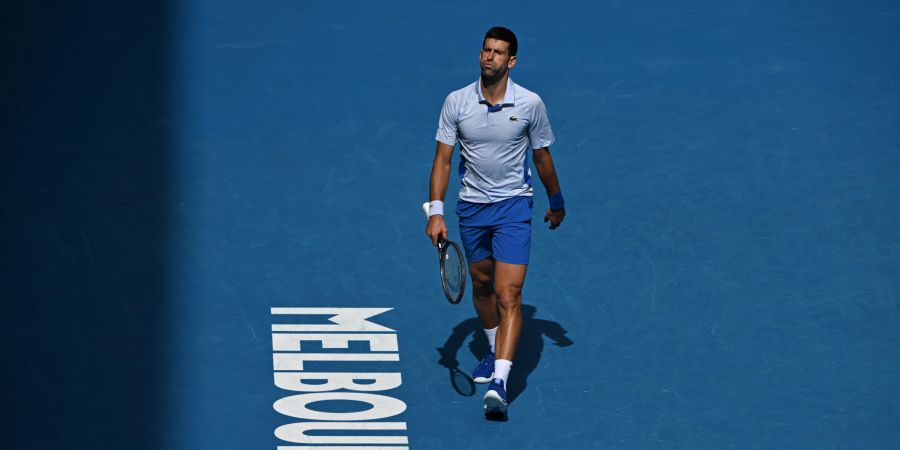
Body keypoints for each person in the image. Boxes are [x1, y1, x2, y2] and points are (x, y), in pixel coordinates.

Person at [425, 26, 566, 417]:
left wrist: (556, 201)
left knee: (509, 295)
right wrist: (436, 211)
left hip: (513, 208)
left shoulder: (530, 104)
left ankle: (500, 383)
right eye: (486, 50)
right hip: (471, 209)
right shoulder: (456, 102)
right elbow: (442, 160)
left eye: (498, 52)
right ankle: (492, 347)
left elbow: (541, 157)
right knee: (483, 287)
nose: (490, 57)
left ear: (511, 61)